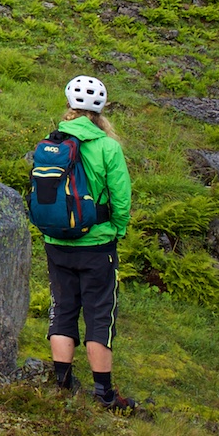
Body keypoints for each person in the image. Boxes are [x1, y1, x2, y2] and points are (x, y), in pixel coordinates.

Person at [45, 75, 136, 411]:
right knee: (99, 316)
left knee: (62, 309)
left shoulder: (52, 141)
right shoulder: (107, 147)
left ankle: (62, 385)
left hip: (56, 241)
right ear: (101, 111)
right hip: (97, 246)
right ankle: (105, 395)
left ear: (69, 105)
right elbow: (121, 199)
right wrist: (117, 229)